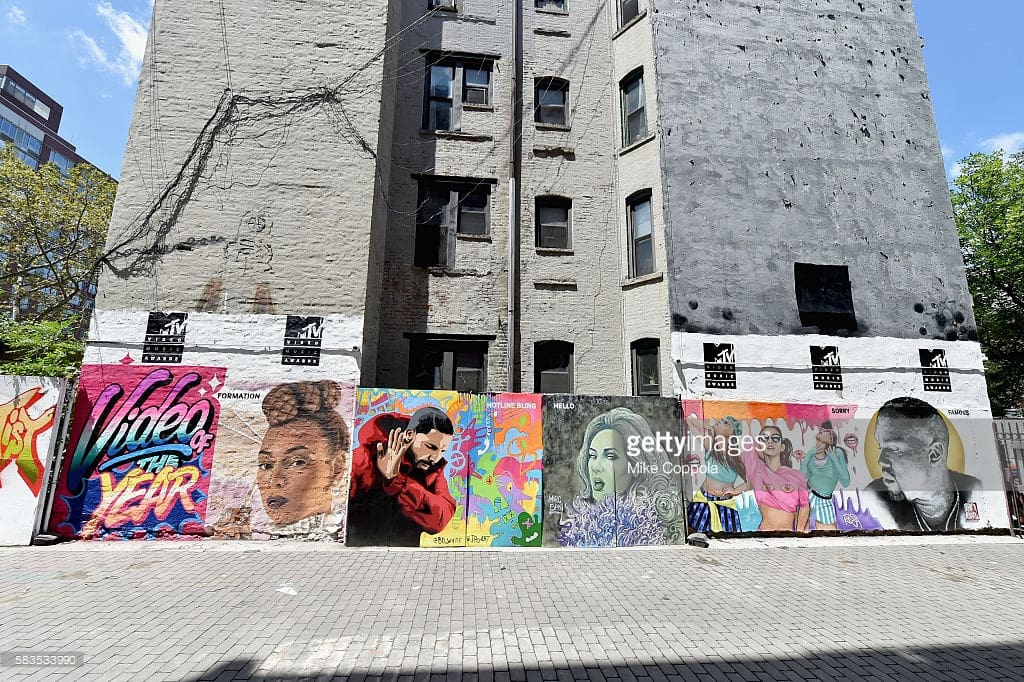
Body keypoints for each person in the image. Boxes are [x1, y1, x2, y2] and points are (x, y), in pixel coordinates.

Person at [216, 380, 350, 540]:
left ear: (336, 467)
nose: (275, 480)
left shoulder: (344, 528)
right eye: (266, 465)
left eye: (297, 462)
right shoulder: (257, 533)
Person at [558, 407, 685, 546]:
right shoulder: (580, 526)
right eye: (592, 455)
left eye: (610, 456)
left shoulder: (649, 529)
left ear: (636, 465)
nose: (595, 466)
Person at [864, 397, 980, 531]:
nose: (881, 460)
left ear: (935, 453)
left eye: (894, 449)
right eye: (881, 448)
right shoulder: (874, 497)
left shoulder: (976, 491)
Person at [347, 406, 457, 546]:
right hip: (363, 548)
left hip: (407, 555)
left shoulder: (433, 470)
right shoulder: (367, 455)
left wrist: (397, 480)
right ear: (410, 435)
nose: (435, 457)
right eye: (431, 447)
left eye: (442, 450)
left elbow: (442, 517)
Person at [735, 425, 810, 532]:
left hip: (788, 536)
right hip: (764, 535)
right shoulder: (757, 473)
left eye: (775, 438)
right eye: (765, 439)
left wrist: (798, 534)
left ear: (782, 447)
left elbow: (804, 507)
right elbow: (749, 443)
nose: (770, 441)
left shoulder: (796, 476)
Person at [686, 416, 746, 534]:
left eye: (725, 422)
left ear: (732, 432)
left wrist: (735, 490)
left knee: (727, 541)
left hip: (725, 506)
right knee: (697, 536)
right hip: (703, 503)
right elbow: (690, 421)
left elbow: (751, 482)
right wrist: (709, 428)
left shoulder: (738, 457)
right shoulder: (710, 446)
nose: (720, 421)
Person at [797, 420, 851, 531]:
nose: (821, 430)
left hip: (825, 500)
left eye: (825, 430)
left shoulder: (837, 453)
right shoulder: (812, 454)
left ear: (831, 437)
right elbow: (802, 478)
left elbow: (846, 481)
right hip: (808, 497)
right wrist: (807, 457)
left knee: (829, 535)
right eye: (820, 429)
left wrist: (833, 458)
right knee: (800, 533)